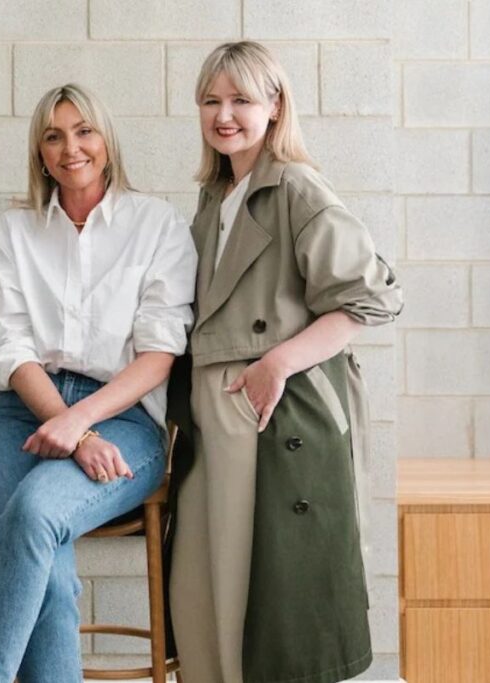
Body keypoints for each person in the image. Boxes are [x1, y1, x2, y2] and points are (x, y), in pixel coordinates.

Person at [169, 41, 403, 683]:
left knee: (275, 614)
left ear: (275, 107)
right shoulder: (215, 197)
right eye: (211, 100)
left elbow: (374, 297)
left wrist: (278, 363)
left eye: (241, 99)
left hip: (280, 412)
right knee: (207, 597)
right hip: (215, 415)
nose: (224, 114)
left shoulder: (297, 185)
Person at [0, 83, 197, 683]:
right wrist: (65, 425)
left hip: (125, 420)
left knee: (36, 513)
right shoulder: (14, 230)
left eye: (84, 131)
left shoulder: (157, 225)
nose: (71, 148)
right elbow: (8, 345)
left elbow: (160, 351)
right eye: (54, 135)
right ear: (40, 152)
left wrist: (81, 422)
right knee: (52, 573)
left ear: (107, 141)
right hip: (20, 413)